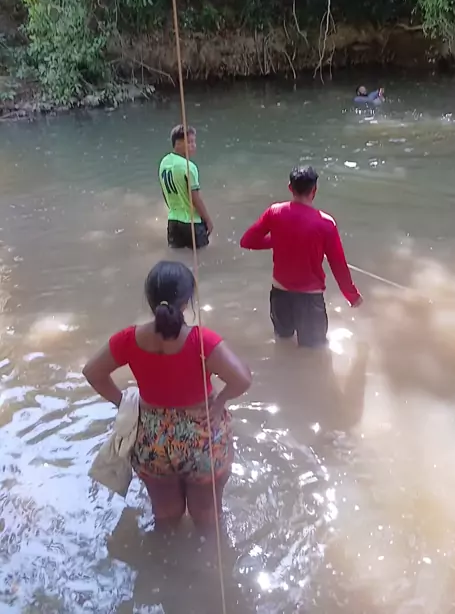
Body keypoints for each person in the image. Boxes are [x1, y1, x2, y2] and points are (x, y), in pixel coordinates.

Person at [83, 260, 252, 527]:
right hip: (201, 436)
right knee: (207, 518)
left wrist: (123, 402)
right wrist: (220, 402)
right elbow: (242, 379)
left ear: (149, 299)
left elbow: (92, 372)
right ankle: (209, 554)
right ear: (186, 302)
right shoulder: (201, 341)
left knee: (165, 518)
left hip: (152, 439)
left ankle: (163, 553)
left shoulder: (128, 339)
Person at [240, 166, 362, 348]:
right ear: (314, 190)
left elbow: (247, 241)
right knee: (314, 351)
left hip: (280, 295)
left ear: (290, 187)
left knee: (283, 344)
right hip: (310, 300)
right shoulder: (326, 223)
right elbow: (338, 265)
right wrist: (351, 296)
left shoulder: (274, 212)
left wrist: (279, 240)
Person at [159, 125, 214, 249]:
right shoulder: (189, 167)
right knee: (201, 256)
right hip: (192, 223)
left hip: (173, 222)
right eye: (189, 142)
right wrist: (208, 220)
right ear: (177, 144)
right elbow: (195, 198)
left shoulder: (164, 162)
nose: (193, 145)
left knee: (177, 256)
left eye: (194, 142)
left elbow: (164, 192)